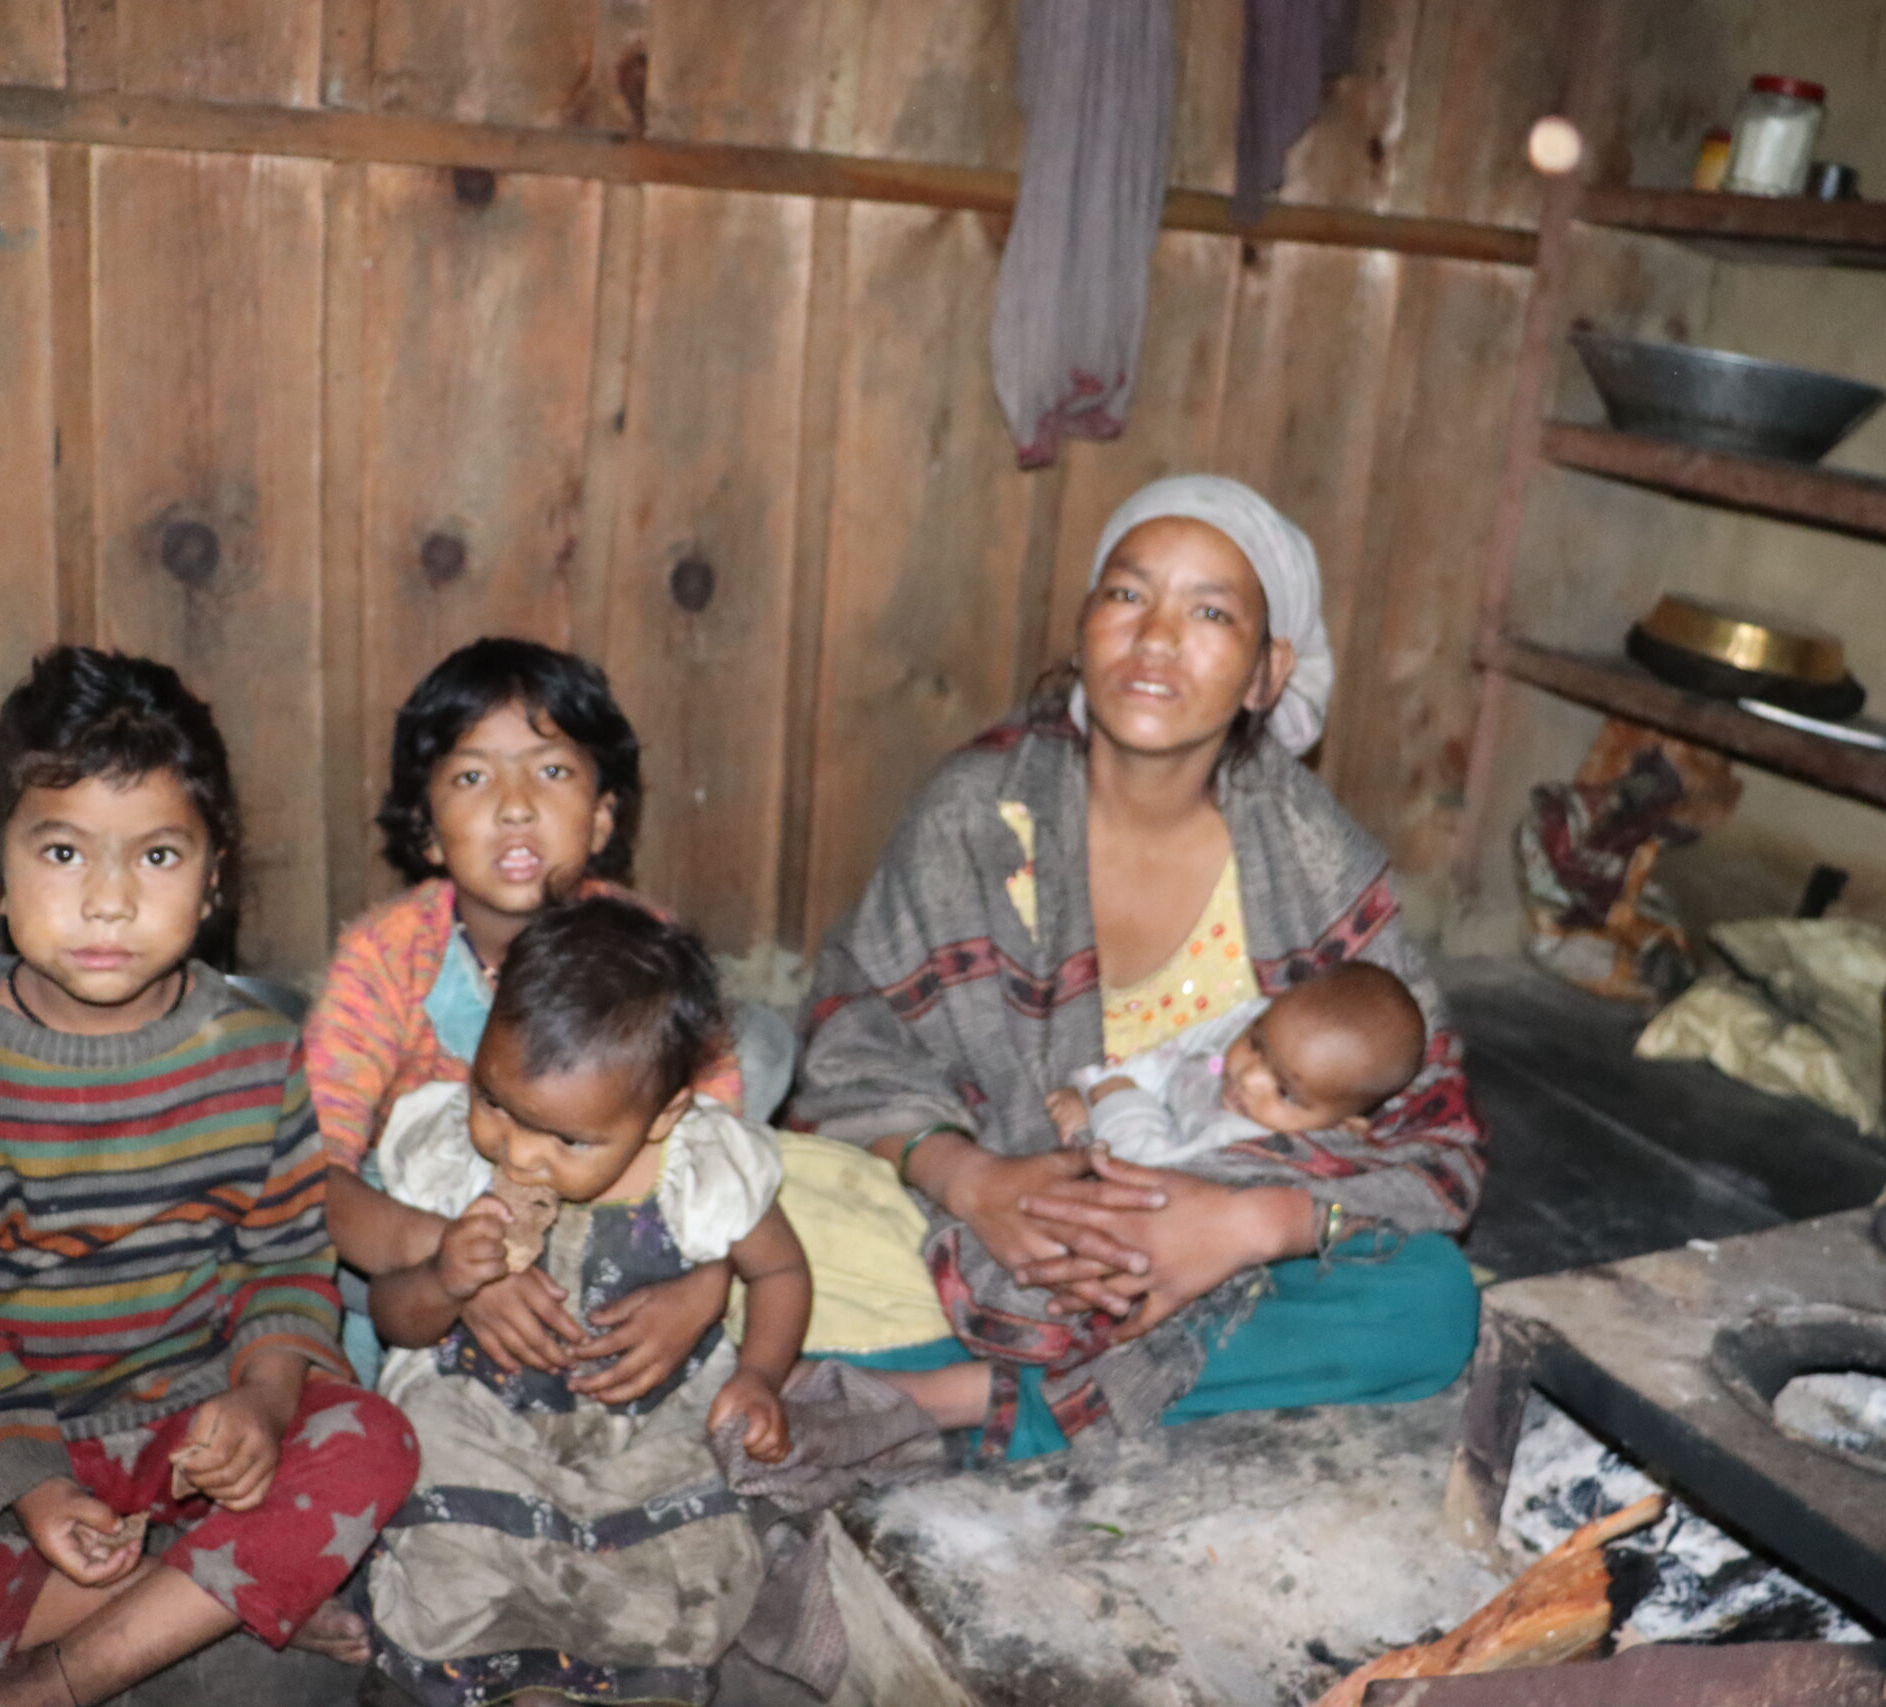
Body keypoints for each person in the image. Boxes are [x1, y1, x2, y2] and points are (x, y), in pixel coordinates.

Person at [794, 474, 1486, 1459]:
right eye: (1127, 593)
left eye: (1210, 612)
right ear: (1084, 630)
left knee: (1431, 1303)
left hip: (1222, 1244)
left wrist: (1246, 1227)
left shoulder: (1314, 860)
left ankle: (969, 1397)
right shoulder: (979, 813)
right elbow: (851, 1052)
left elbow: (1431, 1139)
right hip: (993, 1217)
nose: (1156, 636)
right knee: (766, 1220)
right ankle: (1088, 1384)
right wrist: (977, 1182)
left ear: (1266, 673)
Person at [0, 647, 418, 1705]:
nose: (110, 900)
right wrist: (32, 1492)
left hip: (200, 1423)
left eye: (158, 856)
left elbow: (284, 1264)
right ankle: (216, 1588)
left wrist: (262, 1404)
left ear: (214, 878)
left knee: (375, 1443)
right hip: (17, 1432)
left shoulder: (256, 1057)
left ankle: (71, 1668)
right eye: (64, 851)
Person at [312, 639, 944, 1392]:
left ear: (602, 817)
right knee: (337, 1284)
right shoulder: (385, 955)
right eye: (473, 776)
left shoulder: (644, 948)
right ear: (426, 827)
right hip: (431, 1233)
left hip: (626, 1229)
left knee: (758, 1045)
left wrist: (704, 1288)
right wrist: (457, 1263)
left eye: (552, 771)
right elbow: (316, 1174)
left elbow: (707, 1154)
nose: (515, 807)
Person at [357, 897, 810, 1707]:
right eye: (494, 1102)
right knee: (440, 1505)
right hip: (484, 1414)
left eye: (567, 1140)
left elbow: (780, 1272)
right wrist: (444, 1280)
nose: (519, 1152)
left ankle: (634, 1679)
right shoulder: (452, 1155)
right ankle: (502, 1678)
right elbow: (395, 1319)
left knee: (686, 1552)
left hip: (647, 1421)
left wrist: (760, 1375)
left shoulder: (701, 1166)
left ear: (663, 1114)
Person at [1053, 961, 1427, 1169]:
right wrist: (1097, 1086)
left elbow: (1149, 1174)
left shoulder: (1251, 1147)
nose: (1250, 1076)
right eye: (1256, 1045)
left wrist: (1115, 1101)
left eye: (1284, 1092)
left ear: (1340, 1128)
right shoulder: (1255, 1022)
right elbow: (1175, 1053)